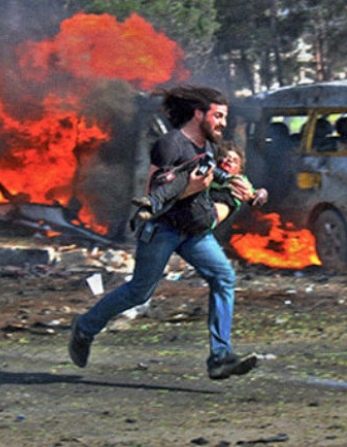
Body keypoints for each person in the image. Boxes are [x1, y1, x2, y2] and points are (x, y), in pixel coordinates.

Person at [68, 85, 261, 380]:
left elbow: (214, 179)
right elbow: (154, 192)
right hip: (163, 229)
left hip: (194, 232)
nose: (223, 123)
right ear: (199, 114)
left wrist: (240, 190)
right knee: (139, 291)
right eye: (218, 116)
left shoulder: (206, 147)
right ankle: (85, 328)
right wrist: (191, 189)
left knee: (224, 277)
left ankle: (220, 357)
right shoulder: (170, 144)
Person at [130, 141, 267, 225]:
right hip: (195, 212)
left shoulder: (239, 180)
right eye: (225, 158)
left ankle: (155, 202)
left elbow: (257, 195)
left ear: (240, 169)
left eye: (233, 160)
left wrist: (256, 196)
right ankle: (152, 204)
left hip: (208, 214)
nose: (228, 161)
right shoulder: (211, 174)